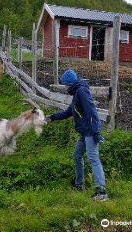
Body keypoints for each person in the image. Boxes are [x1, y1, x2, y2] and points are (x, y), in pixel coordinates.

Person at [47, 69, 108, 201]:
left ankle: (101, 191)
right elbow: (69, 112)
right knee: (77, 155)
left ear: (70, 84)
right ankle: (79, 185)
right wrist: (51, 117)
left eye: (65, 84)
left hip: (90, 131)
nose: (65, 87)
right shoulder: (77, 93)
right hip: (83, 131)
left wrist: (96, 132)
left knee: (93, 159)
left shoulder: (81, 92)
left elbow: (93, 112)